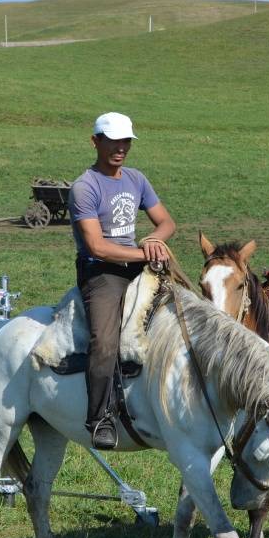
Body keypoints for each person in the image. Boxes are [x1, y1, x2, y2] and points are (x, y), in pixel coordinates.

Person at [69, 112, 176, 449]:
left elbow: (166, 222)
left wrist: (155, 239)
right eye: (113, 141)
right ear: (95, 141)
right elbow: (96, 246)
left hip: (136, 261)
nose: (120, 148)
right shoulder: (84, 187)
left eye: (125, 141)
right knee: (104, 341)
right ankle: (99, 418)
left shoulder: (136, 179)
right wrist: (146, 254)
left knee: (189, 308)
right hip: (101, 273)